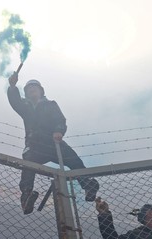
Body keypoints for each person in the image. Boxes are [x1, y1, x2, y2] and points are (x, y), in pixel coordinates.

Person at [7, 72, 99, 214]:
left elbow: (60, 120)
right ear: (25, 93)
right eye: (28, 89)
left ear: (40, 91)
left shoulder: (50, 105)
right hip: (35, 145)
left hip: (53, 142)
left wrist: (59, 131)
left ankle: (88, 184)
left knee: (73, 159)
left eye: (34, 88)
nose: (32, 90)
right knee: (28, 165)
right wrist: (12, 86)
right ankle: (26, 196)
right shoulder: (25, 107)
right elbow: (15, 102)